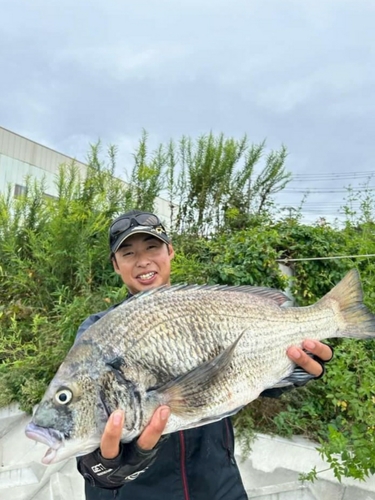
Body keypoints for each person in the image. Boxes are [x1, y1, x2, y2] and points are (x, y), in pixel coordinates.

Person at [76, 209, 333, 500]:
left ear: (170, 251)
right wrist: (105, 468)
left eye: (152, 247)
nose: (143, 260)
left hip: (221, 488)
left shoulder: (205, 306)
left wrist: (297, 368)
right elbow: (82, 423)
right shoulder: (97, 332)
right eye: (128, 253)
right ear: (115, 265)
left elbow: (247, 375)